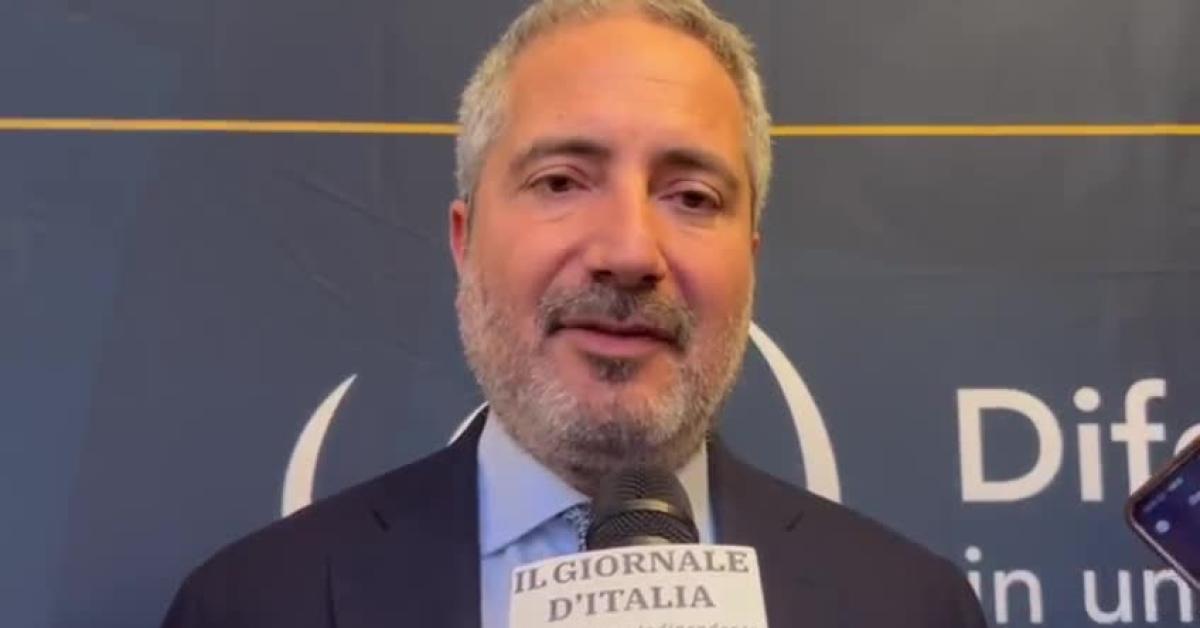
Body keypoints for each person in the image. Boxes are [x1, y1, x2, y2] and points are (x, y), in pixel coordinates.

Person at [162, 1, 989, 626]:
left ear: (751, 260)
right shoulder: (252, 605)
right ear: (465, 242)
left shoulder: (911, 607)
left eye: (691, 197)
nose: (629, 251)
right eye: (561, 181)